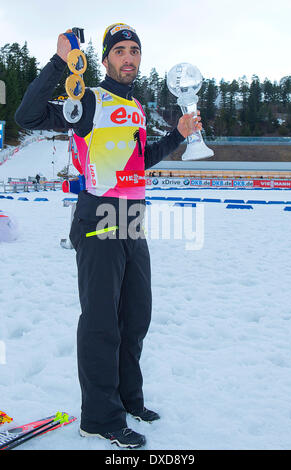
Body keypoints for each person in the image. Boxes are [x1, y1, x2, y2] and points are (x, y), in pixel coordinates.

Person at [15, 23, 202, 449]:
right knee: (101, 322)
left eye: (134, 50)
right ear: (104, 60)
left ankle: (128, 400)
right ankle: (99, 418)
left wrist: (178, 135)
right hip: (98, 214)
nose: (129, 57)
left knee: (135, 316)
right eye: (119, 50)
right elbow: (25, 116)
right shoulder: (89, 101)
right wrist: (61, 61)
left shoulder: (134, 105)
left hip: (132, 214)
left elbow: (140, 159)